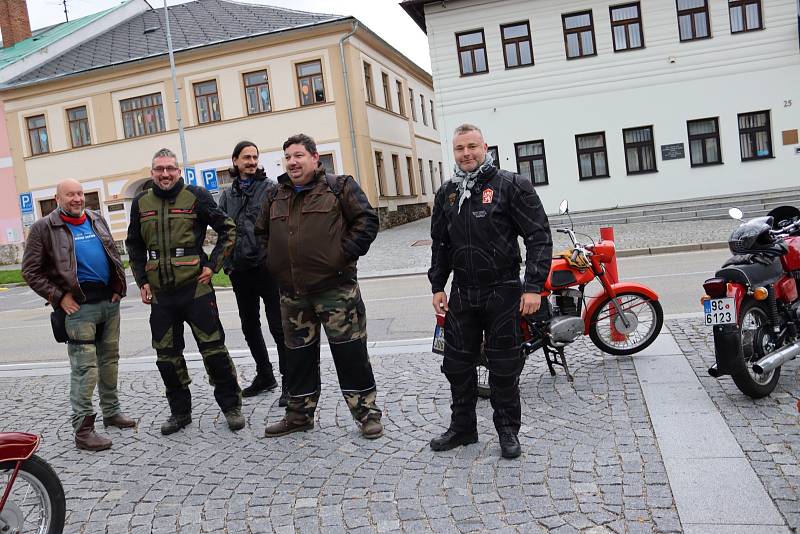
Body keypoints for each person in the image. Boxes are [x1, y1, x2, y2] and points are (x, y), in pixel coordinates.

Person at [428, 124, 552, 459]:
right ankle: (463, 428)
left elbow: (539, 236)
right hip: (463, 293)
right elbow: (440, 243)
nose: (466, 153)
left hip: (503, 290)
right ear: (453, 152)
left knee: (504, 366)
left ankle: (508, 431)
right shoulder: (447, 193)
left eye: (472, 146)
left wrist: (534, 287)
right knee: (457, 364)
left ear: (485, 147)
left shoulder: (512, 185)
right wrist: (437, 284)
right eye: (459, 149)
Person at [256, 134, 383, 439]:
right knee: (297, 358)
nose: (292, 162)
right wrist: (272, 262)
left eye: (298, 155)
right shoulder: (275, 195)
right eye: (287, 156)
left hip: (335, 291)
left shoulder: (339, 187)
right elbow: (261, 233)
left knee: (351, 354)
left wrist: (342, 255)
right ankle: (299, 415)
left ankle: (366, 414)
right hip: (293, 294)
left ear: (315, 158)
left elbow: (366, 221)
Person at [126, 148, 244, 434]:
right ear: (152, 172)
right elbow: (134, 245)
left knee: (214, 350)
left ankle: (231, 406)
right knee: (167, 357)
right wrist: (142, 280)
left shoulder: (197, 196)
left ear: (178, 171)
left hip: (196, 290)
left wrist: (213, 265)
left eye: (170, 168)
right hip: (161, 296)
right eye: (159, 169)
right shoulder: (141, 202)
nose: (165, 174)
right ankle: (180, 413)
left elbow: (228, 229)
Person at [22, 179, 135, 451]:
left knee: (110, 361)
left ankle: (112, 412)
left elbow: (112, 254)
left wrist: (119, 286)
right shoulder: (43, 228)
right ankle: (83, 430)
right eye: (70, 194)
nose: (77, 198)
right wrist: (59, 297)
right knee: (85, 369)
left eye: (80, 193)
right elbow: (30, 271)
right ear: (57, 198)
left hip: (109, 303)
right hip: (79, 309)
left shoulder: (96, 218)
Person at [218, 141, 288, 404]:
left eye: (254, 157)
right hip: (239, 270)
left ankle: (289, 381)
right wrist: (226, 263)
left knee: (278, 327)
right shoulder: (228, 194)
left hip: (266, 268)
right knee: (249, 326)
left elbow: (280, 227)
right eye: (246, 157)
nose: (251, 161)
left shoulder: (270, 188)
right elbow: (223, 229)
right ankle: (265, 375)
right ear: (235, 160)